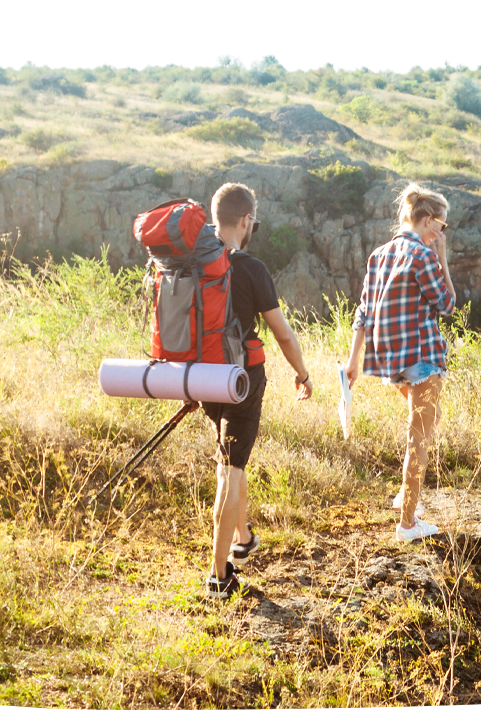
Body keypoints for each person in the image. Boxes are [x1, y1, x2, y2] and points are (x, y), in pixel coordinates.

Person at [200, 183, 314, 599]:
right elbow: (282, 333)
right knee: (228, 469)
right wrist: (302, 372)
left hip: (200, 377)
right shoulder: (250, 268)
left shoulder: (195, 262)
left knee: (232, 454)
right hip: (241, 380)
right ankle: (219, 575)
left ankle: (244, 536)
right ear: (246, 220)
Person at [342, 182, 456, 542]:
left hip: (392, 360)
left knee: (427, 421)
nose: (442, 232)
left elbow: (363, 311)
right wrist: (443, 257)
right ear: (427, 221)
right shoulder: (423, 255)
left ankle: (406, 497)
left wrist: (353, 361)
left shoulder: (379, 254)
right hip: (422, 356)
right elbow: (448, 304)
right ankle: (408, 522)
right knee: (418, 438)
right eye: (442, 225)